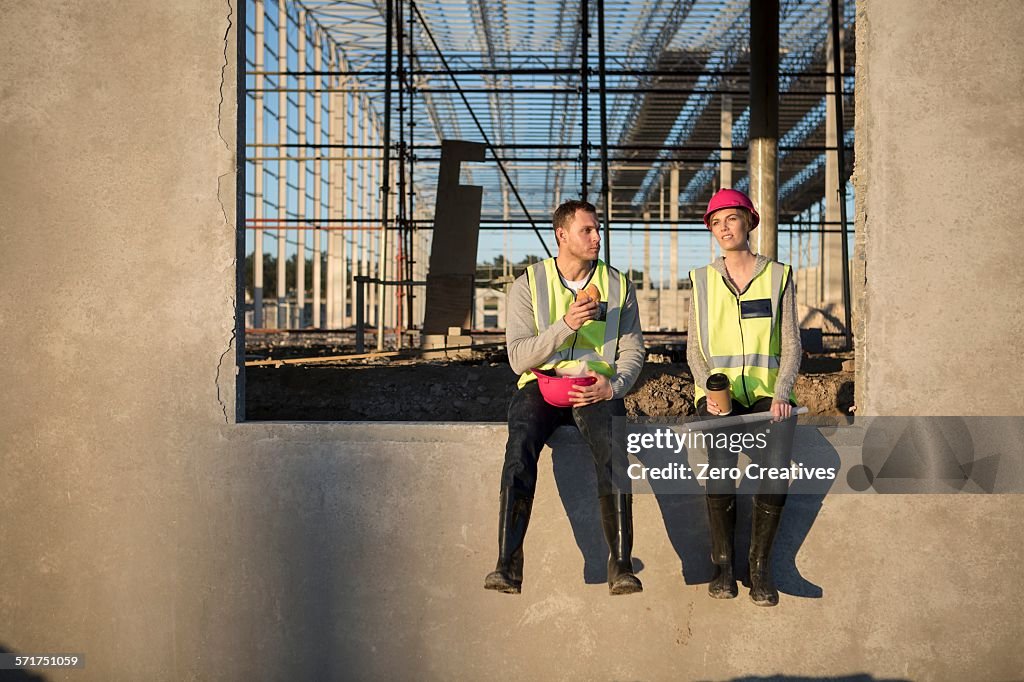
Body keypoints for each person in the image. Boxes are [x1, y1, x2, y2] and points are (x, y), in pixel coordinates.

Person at [484, 199, 646, 596]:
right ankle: (508, 563)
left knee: (614, 449)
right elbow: (518, 358)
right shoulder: (529, 283)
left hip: (596, 388)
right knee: (519, 447)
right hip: (541, 384)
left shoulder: (618, 285)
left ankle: (620, 564)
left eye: (597, 229)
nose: (596, 237)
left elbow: (634, 350)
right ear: (562, 235)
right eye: (587, 230)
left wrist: (615, 385)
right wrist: (565, 325)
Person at [687, 188, 801, 607]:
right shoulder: (701, 280)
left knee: (776, 468)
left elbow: (791, 346)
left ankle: (759, 567)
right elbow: (693, 348)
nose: (723, 228)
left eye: (731, 219)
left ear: (749, 222)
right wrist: (709, 391)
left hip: (767, 395)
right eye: (716, 223)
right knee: (720, 468)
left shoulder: (778, 276)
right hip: (718, 396)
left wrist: (782, 393)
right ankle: (722, 567)